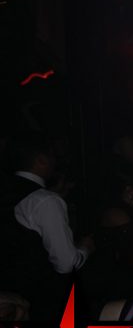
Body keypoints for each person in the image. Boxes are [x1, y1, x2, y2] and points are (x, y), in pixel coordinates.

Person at [0, 132, 94, 321]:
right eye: (52, 156)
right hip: (41, 304)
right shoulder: (44, 200)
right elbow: (66, 264)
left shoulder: (7, 191)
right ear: (41, 160)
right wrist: (85, 248)